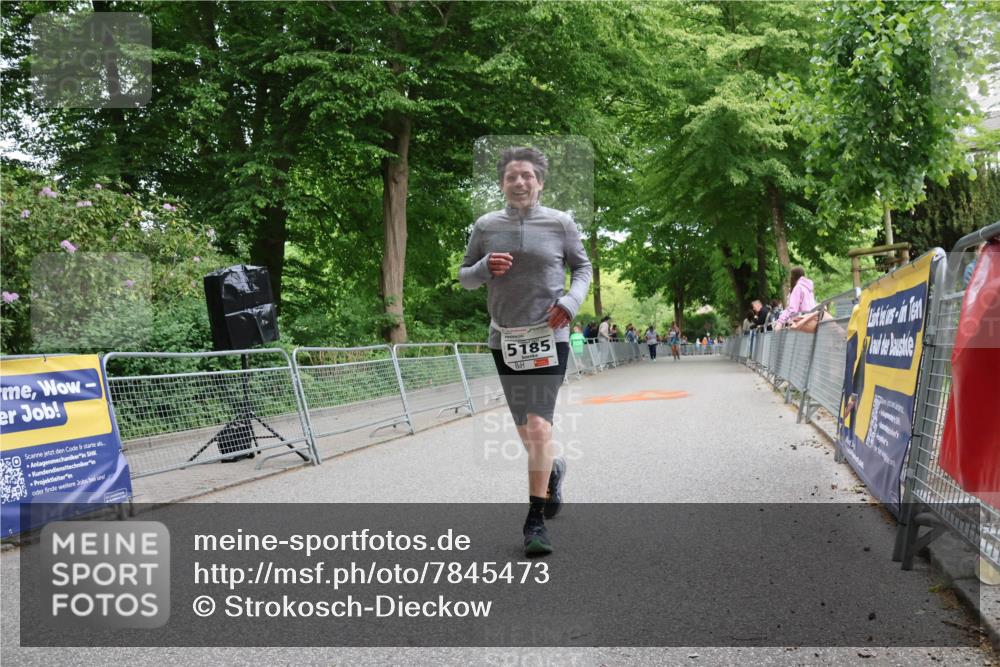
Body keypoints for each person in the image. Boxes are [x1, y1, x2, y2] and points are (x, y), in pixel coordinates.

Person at [459, 146, 592, 556]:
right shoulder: (485, 225)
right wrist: (484, 269)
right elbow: (464, 277)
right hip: (506, 339)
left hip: (549, 336)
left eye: (527, 176)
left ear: (540, 182)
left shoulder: (560, 223)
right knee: (526, 429)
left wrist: (570, 303)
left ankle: (535, 519)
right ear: (502, 183)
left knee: (538, 427)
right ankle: (552, 471)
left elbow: (583, 268)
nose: (520, 182)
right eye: (512, 176)